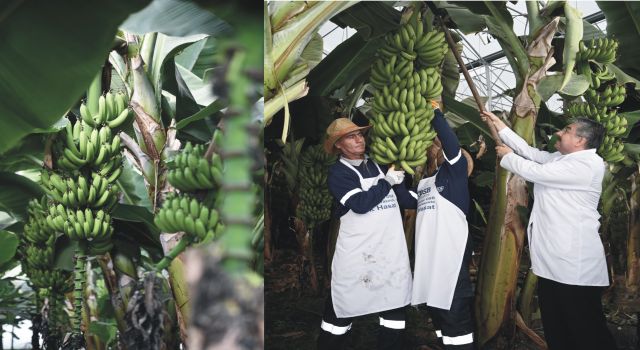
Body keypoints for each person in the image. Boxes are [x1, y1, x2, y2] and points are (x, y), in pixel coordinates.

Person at [481, 110, 617, 350]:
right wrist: (500, 126)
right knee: (557, 325)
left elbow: (536, 172)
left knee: (585, 328)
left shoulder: (587, 165)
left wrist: (507, 157)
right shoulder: (563, 160)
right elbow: (532, 153)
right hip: (553, 263)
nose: (558, 132)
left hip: (575, 267)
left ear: (580, 141)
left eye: (566, 130)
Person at [317, 117, 417, 350]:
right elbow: (361, 204)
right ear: (338, 145)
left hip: (389, 251)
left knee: (394, 306)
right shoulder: (339, 174)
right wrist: (387, 182)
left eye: (360, 135)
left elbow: (402, 197)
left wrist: (432, 198)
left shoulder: (380, 164)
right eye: (351, 137)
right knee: (341, 309)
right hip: (357, 254)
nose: (359, 139)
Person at [411, 101, 475, 349]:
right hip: (429, 257)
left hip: (451, 255)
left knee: (453, 308)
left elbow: (450, 144)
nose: (437, 150)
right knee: (436, 308)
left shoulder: (456, 178)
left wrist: (435, 114)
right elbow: (409, 201)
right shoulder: (427, 182)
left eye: (441, 150)